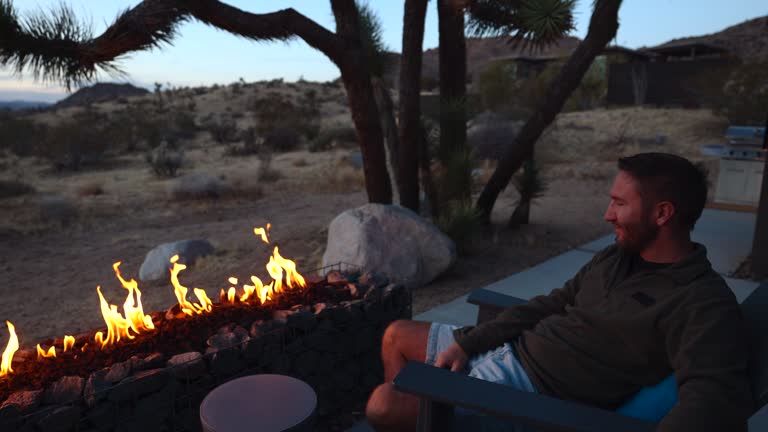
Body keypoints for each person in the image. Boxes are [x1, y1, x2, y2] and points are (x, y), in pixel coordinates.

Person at [365, 153, 754, 432]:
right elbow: (553, 302)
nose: (607, 214)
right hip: (507, 350)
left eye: (619, 203)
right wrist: (469, 342)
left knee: (383, 404)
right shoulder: (617, 256)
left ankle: (430, 414)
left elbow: (712, 396)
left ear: (663, 213)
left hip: (524, 394)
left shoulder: (700, 300)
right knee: (395, 335)